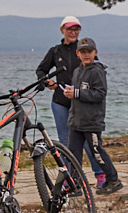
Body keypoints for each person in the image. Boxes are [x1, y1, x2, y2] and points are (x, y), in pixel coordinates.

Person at [35, 15, 104, 187]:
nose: (73, 32)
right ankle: (72, 179)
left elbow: (96, 71)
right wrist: (46, 82)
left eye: (76, 29)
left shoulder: (83, 49)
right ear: (62, 30)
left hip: (81, 102)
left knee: (89, 141)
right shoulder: (55, 51)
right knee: (66, 143)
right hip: (60, 102)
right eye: (69, 29)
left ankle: (100, 174)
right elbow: (41, 70)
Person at [63, 38, 123, 196]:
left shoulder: (97, 71)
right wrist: (71, 92)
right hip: (76, 121)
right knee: (72, 154)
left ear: (95, 53)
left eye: (89, 51)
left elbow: (100, 94)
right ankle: (75, 184)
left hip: (91, 122)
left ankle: (113, 179)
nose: (86, 55)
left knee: (97, 153)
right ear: (78, 54)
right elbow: (80, 93)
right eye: (83, 52)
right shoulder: (77, 71)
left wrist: (76, 93)